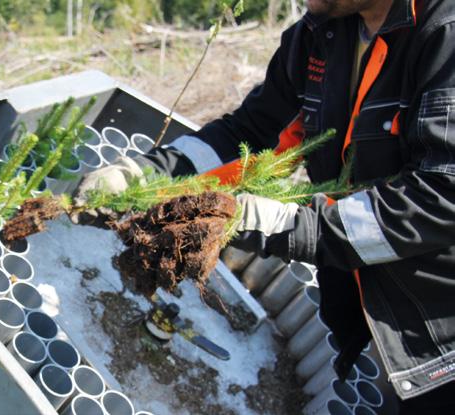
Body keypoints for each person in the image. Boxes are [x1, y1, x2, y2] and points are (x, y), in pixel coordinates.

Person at [76, 0, 455, 411]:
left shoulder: (443, 35)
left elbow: (441, 198)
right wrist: (146, 173)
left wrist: (287, 225)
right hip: (366, 308)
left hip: (439, 343)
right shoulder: (323, 33)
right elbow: (252, 132)